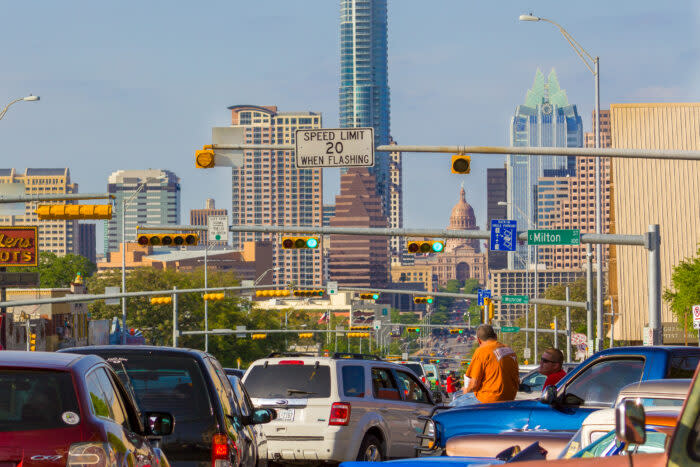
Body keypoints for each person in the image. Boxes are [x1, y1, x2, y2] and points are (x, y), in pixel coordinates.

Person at [461, 324, 519, 405]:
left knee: (453, 406)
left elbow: (474, 385)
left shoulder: (482, 351)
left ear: (479, 340)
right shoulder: (509, 350)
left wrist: (466, 390)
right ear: (495, 336)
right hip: (510, 397)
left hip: (489, 399)